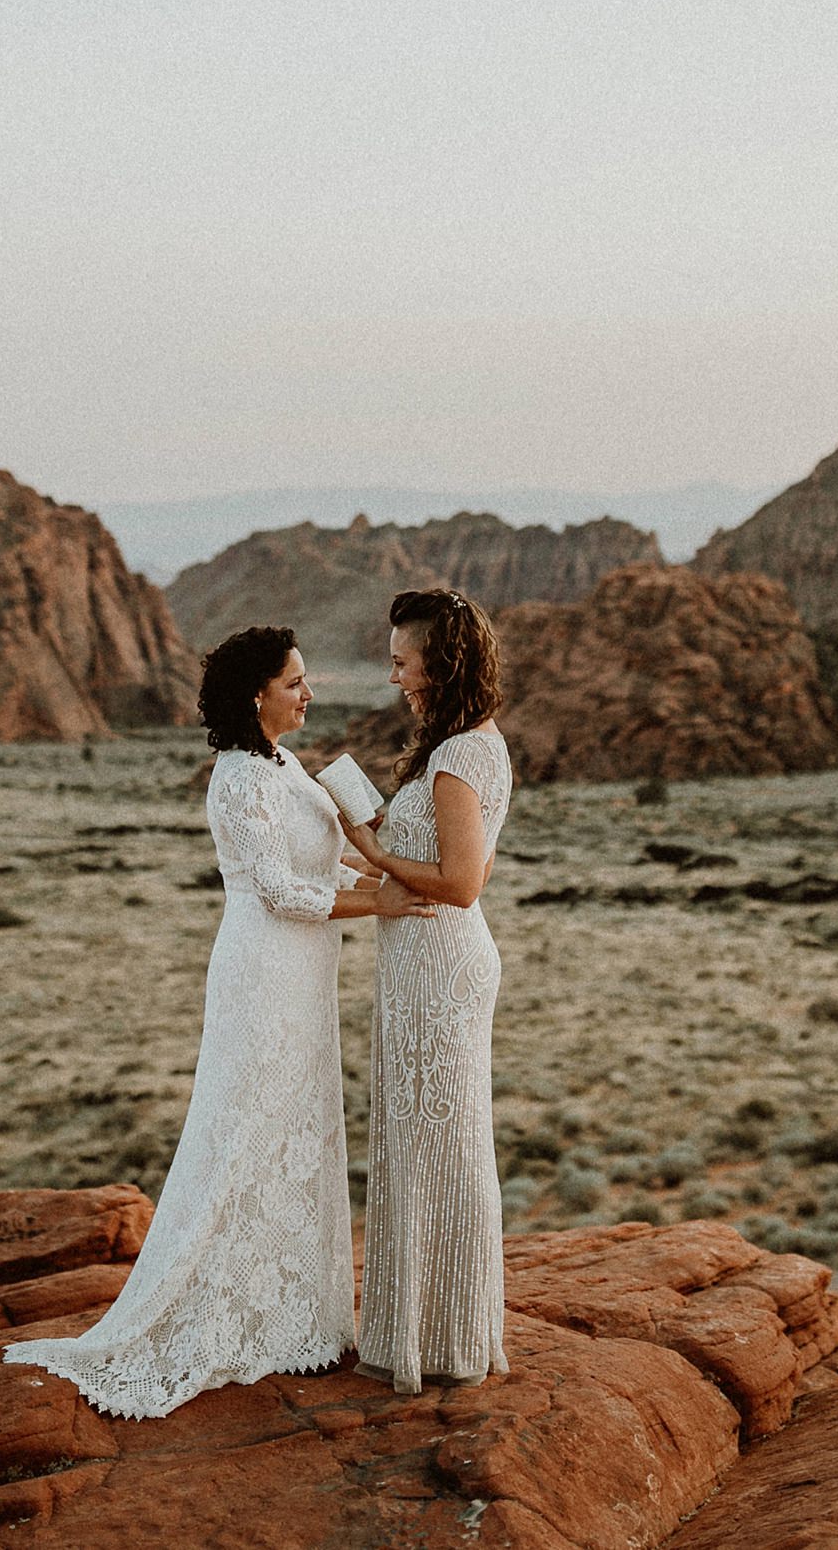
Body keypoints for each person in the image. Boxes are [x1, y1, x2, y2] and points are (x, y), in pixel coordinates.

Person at [3, 626, 435, 1417]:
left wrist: (381, 867)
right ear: (255, 696)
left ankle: (291, 1315)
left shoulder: (282, 764)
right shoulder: (237, 779)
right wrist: (379, 901)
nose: (310, 694)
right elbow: (277, 891)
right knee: (247, 1126)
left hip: (305, 973)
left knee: (295, 1126)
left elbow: (316, 864)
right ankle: (226, 1315)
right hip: (264, 968)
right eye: (296, 683)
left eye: (306, 680)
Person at [338, 589, 513, 1392]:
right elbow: (427, 866)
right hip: (422, 963)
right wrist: (370, 855)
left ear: (440, 664)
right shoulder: (459, 745)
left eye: (404, 662)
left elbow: (462, 883)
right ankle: (436, 1334)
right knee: (424, 1144)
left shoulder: (458, 757)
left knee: (438, 1146)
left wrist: (373, 844)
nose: (395, 677)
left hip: (440, 967)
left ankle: (439, 1344)